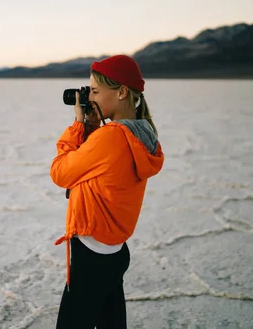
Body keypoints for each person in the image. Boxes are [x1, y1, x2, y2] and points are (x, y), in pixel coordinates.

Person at [50, 55, 164, 328]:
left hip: (92, 255)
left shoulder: (111, 137)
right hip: (112, 253)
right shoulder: (141, 133)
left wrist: (78, 126)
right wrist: (92, 126)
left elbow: (61, 172)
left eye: (97, 92)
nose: (92, 98)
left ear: (122, 92)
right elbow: (98, 167)